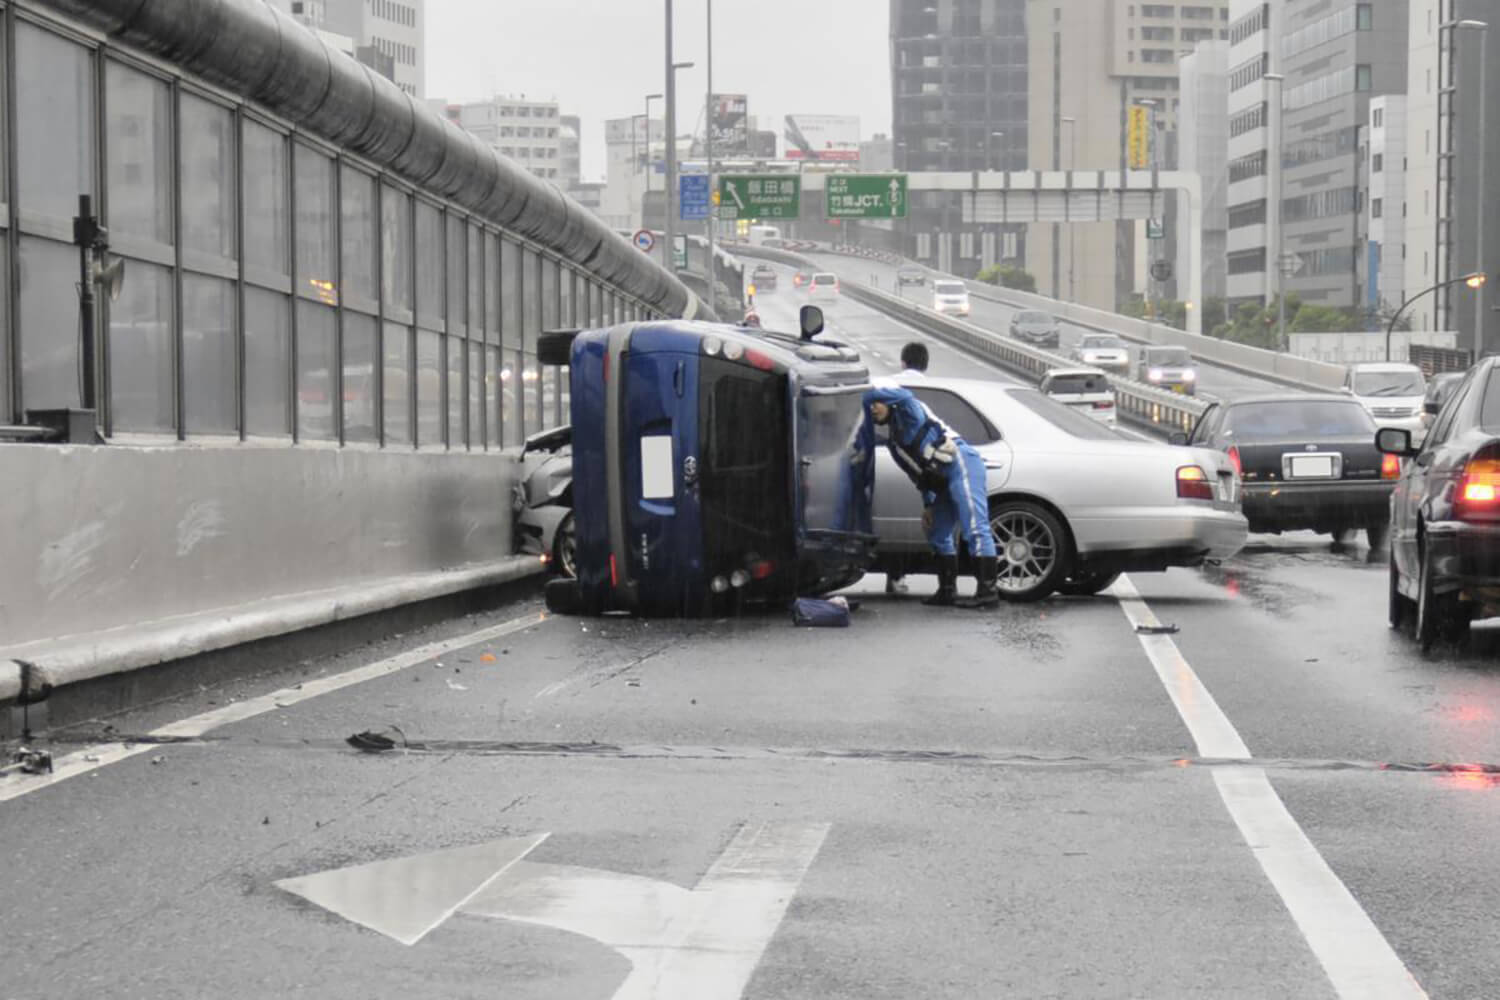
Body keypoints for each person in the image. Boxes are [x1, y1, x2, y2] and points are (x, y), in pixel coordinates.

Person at [861, 385, 999, 609]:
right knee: (936, 531)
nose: (873, 409)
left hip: (962, 464)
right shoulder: (895, 444)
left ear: (888, 402)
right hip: (942, 482)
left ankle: (988, 592)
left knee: (974, 526)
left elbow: (905, 394)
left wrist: (864, 393)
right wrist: (929, 504)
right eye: (869, 407)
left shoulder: (910, 411)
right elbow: (920, 477)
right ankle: (947, 590)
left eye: (876, 403)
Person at [885, 342, 931, 595]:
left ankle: (893, 574)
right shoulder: (929, 389)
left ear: (902, 362)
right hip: (923, 461)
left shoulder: (889, 385)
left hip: (895, 458)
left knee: (890, 527)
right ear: (925, 365)